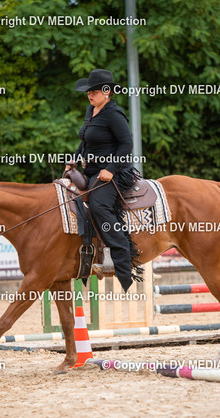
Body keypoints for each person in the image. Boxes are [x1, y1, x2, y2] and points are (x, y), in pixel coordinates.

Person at [65, 69, 139, 290]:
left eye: (95, 92)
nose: (90, 95)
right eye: (89, 92)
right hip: (90, 170)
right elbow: (85, 142)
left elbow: (126, 144)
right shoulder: (92, 110)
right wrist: (74, 159)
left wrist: (110, 169)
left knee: (98, 205)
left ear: (107, 92)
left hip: (113, 172)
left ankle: (122, 263)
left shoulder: (114, 114)